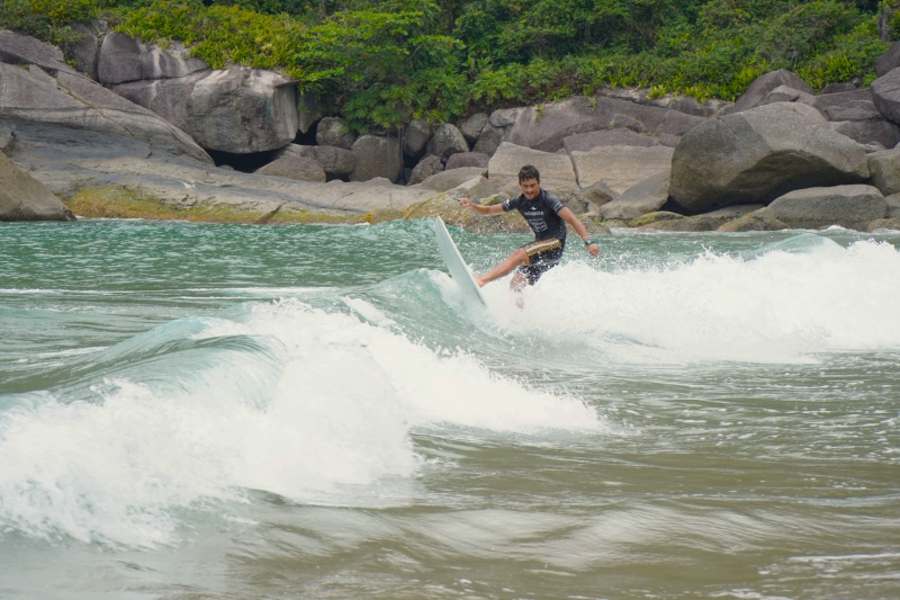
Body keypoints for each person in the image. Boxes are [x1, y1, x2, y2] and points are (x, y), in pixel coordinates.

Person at [459, 164, 600, 290]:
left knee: (519, 255)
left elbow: (572, 219)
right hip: (541, 253)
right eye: (525, 186)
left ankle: (482, 281)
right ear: (520, 185)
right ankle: (519, 314)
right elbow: (489, 210)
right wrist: (472, 205)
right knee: (516, 283)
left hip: (554, 246)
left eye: (533, 185)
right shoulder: (519, 202)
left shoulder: (549, 200)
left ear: (539, 183)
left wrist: (588, 242)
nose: (529, 190)